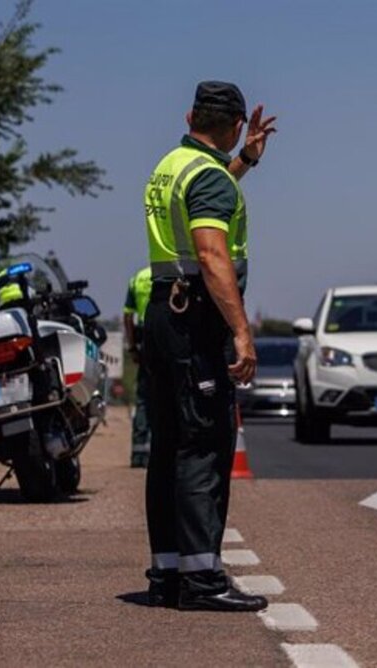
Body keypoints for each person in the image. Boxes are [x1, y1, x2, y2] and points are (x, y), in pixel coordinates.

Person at [142, 81, 276, 611]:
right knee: (204, 446)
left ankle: (168, 575)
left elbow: (204, 197)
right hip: (196, 321)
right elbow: (211, 253)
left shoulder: (173, 165)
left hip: (163, 315)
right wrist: (241, 331)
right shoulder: (209, 180)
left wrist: (244, 161)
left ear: (190, 115)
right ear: (237, 123)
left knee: (170, 447)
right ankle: (203, 582)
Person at [123, 265, 153, 468]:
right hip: (166, 335)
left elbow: (128, 316)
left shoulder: (137, 278)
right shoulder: (171, 274)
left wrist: (132, 346)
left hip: (144, 338)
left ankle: (138, 453)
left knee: (143, 398)